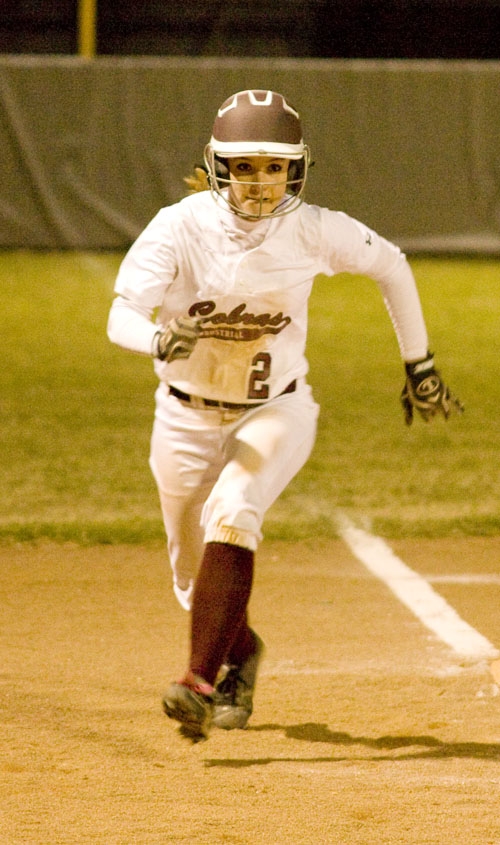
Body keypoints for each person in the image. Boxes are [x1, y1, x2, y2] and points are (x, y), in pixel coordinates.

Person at [107, 89, 462, 742]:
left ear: (295, 169)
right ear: (218, 167)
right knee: (192, 577)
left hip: (277, 409)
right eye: (246, 166)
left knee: (235, 509)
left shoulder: (314, 228)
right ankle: (240, 650)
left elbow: (391, 265)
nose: (261, 181)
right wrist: (156, 338)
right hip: (183, 418)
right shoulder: (178, 226)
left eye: (274, 166)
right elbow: (121, 313)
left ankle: (197, 680)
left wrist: (420, 364)